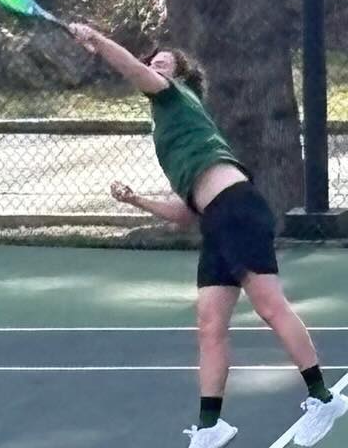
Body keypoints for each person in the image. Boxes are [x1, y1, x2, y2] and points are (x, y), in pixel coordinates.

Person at [70, 23, 347, 447]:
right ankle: (210, 427)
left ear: (179, 75)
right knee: (210, 324)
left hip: (237, 207)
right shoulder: (168, 128)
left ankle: (323, 398)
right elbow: (186, 213)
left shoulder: (175, 95)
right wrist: (137, 201)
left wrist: (96, 40)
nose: (157, 60)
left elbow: (128, 66)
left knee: (271, 307)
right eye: (154, 58)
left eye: (167, 61)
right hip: (216, 218)